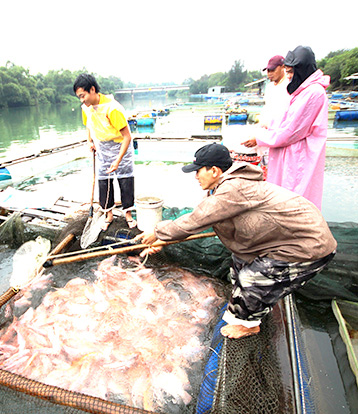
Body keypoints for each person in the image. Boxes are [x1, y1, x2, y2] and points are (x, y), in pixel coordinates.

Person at [136, 143, 337, 339]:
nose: (196, 176)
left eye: (198, 171)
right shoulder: (227, 185)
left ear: (214, 170)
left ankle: (249, 325)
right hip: (283, 239)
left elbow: (197, 219)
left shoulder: (233, 189)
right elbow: (207, 216)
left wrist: (157, 232)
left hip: (308, 247)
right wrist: (164, 240)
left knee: (252, 278)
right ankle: (248, 304)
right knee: (238, 265)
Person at [242, 46, 330, 209]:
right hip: (287, 153)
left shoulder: (313, 93)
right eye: (288, 72)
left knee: (294, 200)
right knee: (281, 198)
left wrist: (259, 138)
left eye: (291, 72)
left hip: (298, 156)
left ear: (301, 70)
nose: (289, 77)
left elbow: (291, 132)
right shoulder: (301, 92)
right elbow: (284, 121)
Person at [73, 73, 136, 230]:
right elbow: (89, 124)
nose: (82, 100)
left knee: (125, 180)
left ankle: (128, 213)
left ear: (92, 89)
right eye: (79, 97)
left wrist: (118, 160)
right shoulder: (86, 108)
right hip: (103, 148)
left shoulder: (112, 108)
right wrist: (90, 141)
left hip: (121, 146)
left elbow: (127, 136)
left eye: (83, 96)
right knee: (104, 181)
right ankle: (108, 214)